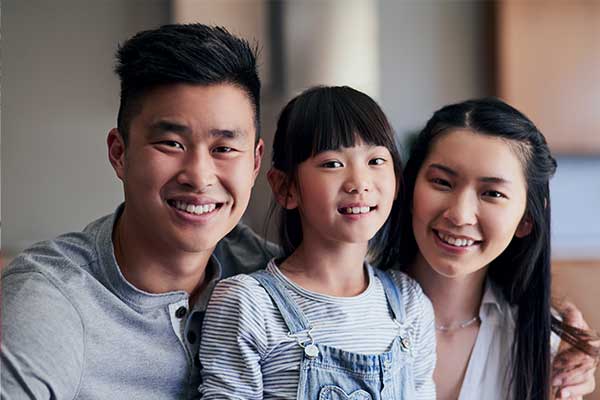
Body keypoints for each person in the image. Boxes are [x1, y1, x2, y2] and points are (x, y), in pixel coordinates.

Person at [1, 24, 275, 399]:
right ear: (120, 153)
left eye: (224, 149)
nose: (199, 176)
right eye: (171, 143)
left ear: (256, 162)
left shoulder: (274, 276)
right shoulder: (51, 296)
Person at [198, 86, 436, 399]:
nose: (359, 183)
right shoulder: (249, 304)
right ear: (285, 188)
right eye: (332, 164)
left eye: (376, 160)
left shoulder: (409, 304)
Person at [390, 97, 599, 400]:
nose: (459, 214)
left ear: (526, 219)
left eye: (492, 193)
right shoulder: (343, 313)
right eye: (442, 182)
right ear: (409, 189)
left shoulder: (546, 350)